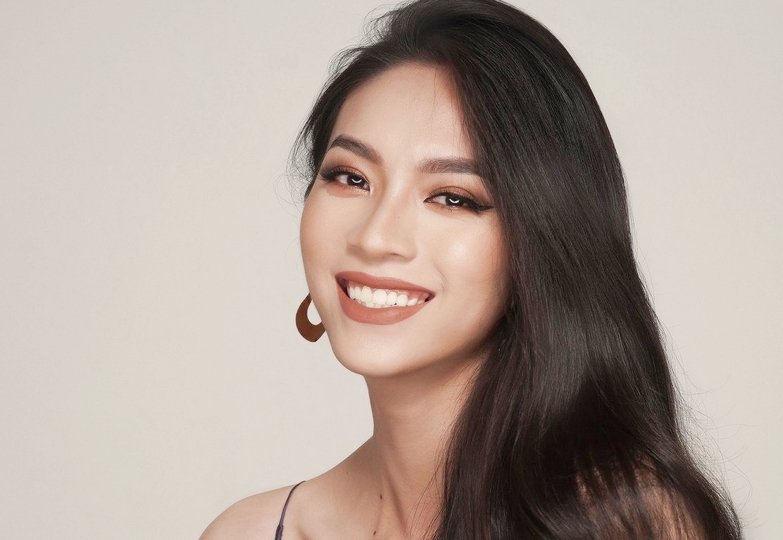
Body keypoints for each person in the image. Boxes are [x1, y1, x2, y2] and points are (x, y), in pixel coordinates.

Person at [201, 0, 742, 538]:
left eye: (453, 198)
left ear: (542, 241)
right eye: (350, 177)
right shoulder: (246, 532)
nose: (374, 237)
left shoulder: (629, 526)